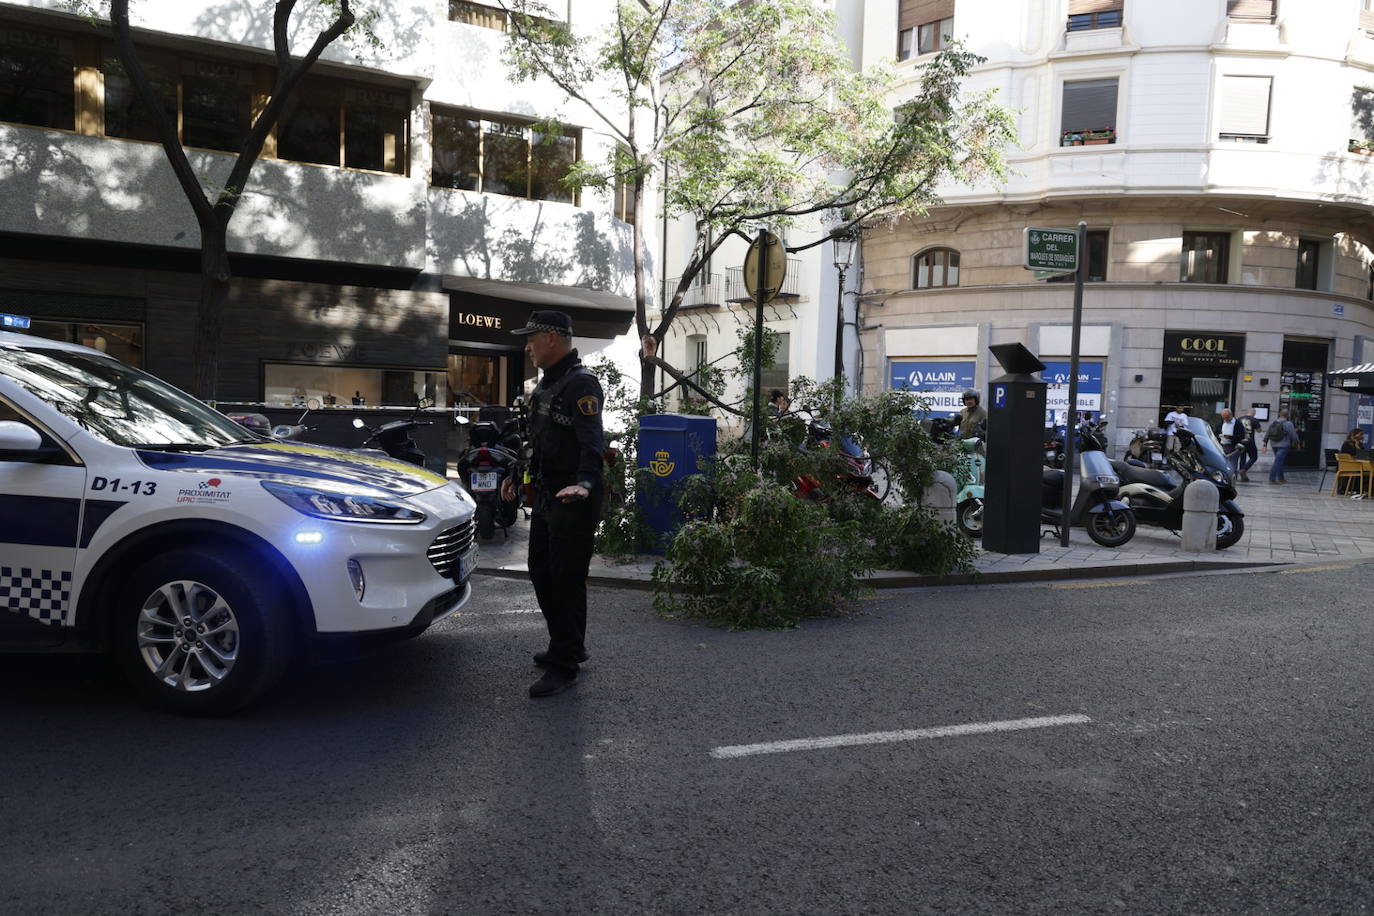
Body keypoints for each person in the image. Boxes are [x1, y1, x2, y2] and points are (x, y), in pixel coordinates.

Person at [502, 310, 605, 698]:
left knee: (565, 578)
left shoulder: (581, 384)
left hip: (573, 498)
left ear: (552, 338)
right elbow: (537, 441)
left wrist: (584, 483)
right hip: (548, 495)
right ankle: (569, 643)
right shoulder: (548, 385)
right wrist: (516, 474)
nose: (526, 347)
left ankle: (565, 664)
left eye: (531, 338)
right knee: (540, 571)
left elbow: (592, 441)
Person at [1262, 407, 1299, 484]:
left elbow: (1267, 434)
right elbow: (1294, 436)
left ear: (1279, 414)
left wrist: (1265, 444)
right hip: (1284, 445)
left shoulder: (1274, 422)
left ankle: (1281, 478)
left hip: (1274, 445)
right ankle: (1272, 479)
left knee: (1279, 461)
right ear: (1288, 415)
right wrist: (1297, 443)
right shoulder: (1289, 424)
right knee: (1278, 462)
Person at [1214, 407, 1244, 478]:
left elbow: (1241, 436)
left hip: (1233, 447)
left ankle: (1232, 479)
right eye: (1224, 418)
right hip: (1222, 446)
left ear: (1231, 415)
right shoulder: (1221, 423)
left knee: (1233, 465)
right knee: (1222, 464)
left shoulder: (1237, 423)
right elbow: (1215, 433)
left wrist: (1230, 437)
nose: (1225, 420)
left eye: (1227, 417)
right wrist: (1218, 436)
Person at [1237, 408, 1261, 482]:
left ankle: (1242, 476)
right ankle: (1244, 470)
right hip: (1250, 441)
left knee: (1242, 458)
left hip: (1241, 441)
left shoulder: (1239, 419)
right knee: (1254, 457)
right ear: (1254, 413)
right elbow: (1259, 430)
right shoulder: (1254, 419)